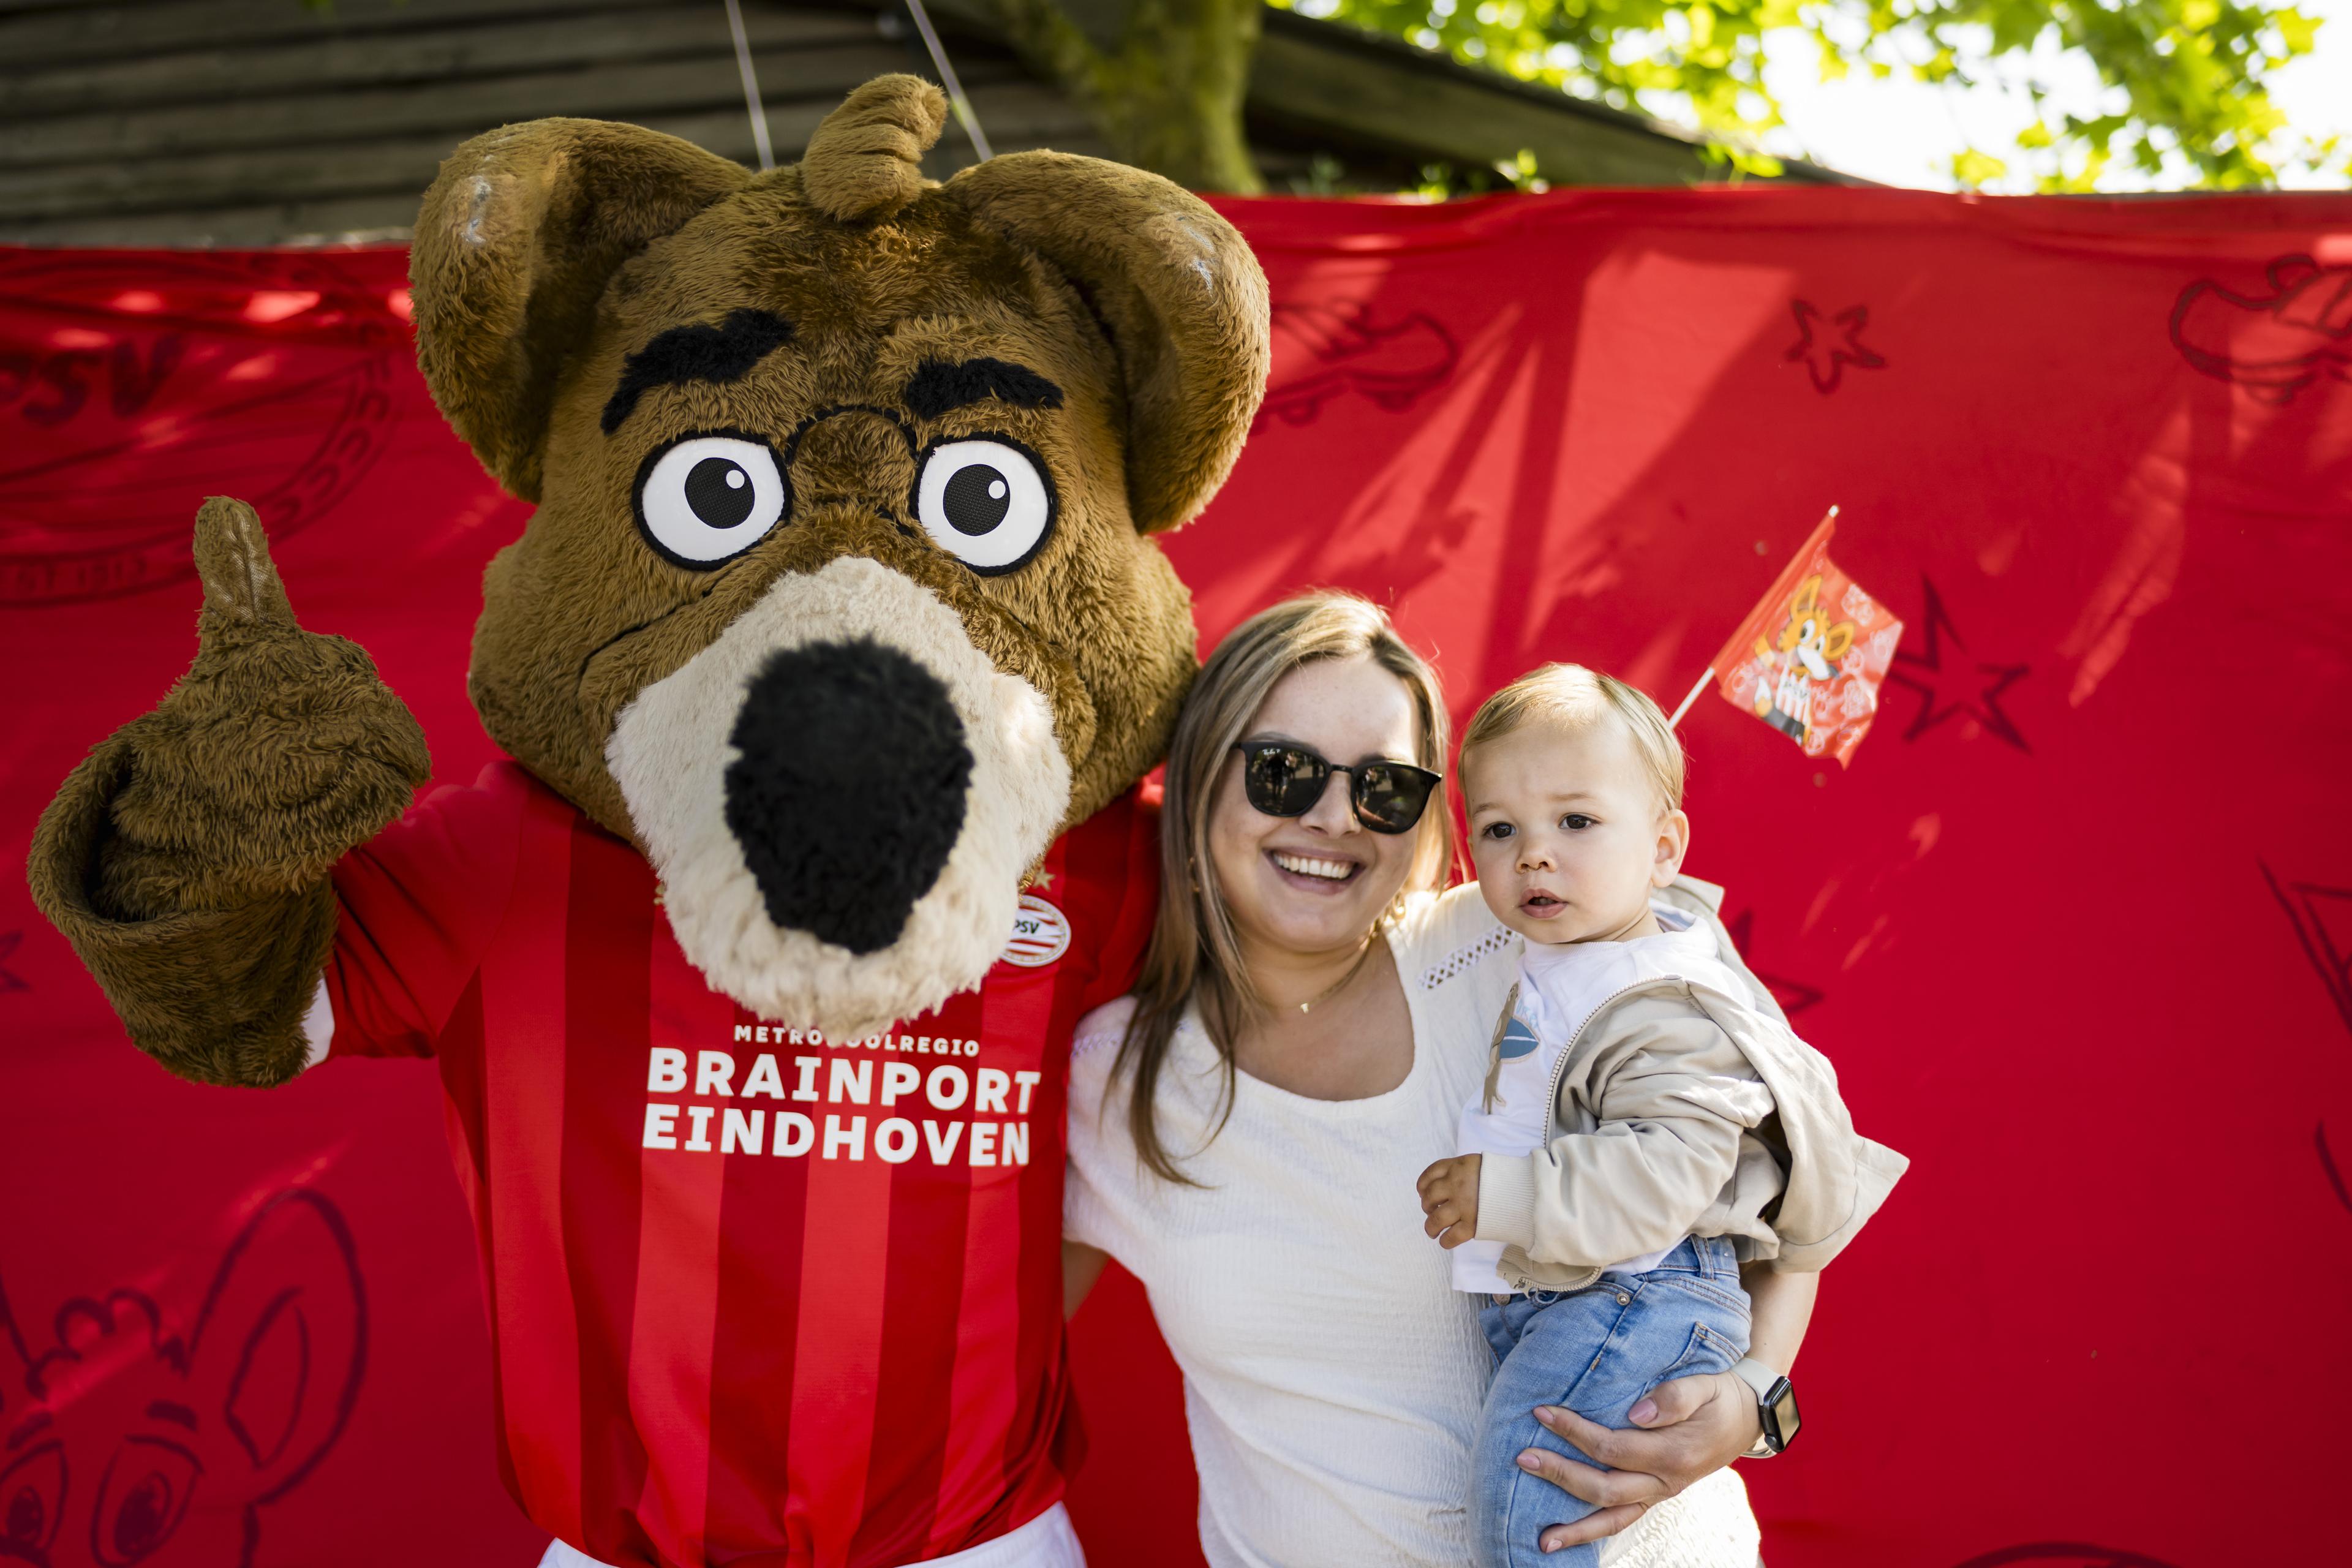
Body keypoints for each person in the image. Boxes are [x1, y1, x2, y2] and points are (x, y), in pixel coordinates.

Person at [1063, 594, 1820, 1567]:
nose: (1334, 819)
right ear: (1201, 777)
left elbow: (1796, 1172)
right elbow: (978, 1358)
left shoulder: (1542, 942)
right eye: (1283, 773)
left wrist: (1758, 1396)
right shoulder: (1114, 1078)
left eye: (1384, 786)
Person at [1413, 665, 1907, 1567]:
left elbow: (1668, 1169)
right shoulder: (1584, 949)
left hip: (1639, 1288)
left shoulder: (1666, 998)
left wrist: (1510, 1192)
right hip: (1582, 1291)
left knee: (1524, 1513)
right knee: (1528, 1498)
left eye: (1577, 821)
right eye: (1499, 829)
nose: (1534, 853)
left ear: (1666, 848)